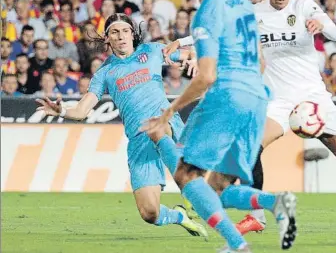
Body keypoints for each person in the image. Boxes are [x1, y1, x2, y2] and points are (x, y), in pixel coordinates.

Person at [166, 0, 336, 243]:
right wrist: (184, 41)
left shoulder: (304, 7)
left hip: (313, 98)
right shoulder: (255, 13)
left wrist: (321, 25)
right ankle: (258, 217)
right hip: (278, 100)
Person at [143, 0, 297, 253]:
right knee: (216, 188)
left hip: (229, 96)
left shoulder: (206, 12)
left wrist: (169, 111)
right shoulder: (240, 2)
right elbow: (261, 61)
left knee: (187, 174)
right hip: (256, 98)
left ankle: (238, 244)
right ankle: (275, 202)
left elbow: (207, 76)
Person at [35, 13, 207, 238]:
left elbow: (192, 53)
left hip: (165, 122)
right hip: (138, 140)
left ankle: (190, 190)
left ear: (132, 34)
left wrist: (193, 57)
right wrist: (62, 111)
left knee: (158, 128)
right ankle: (180, 216)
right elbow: (82, 110)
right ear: (107, 39)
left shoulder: (152, 51)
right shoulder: (105, 72)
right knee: (149, 213)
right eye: (115, 32)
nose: (121, 36)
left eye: (125, 30)